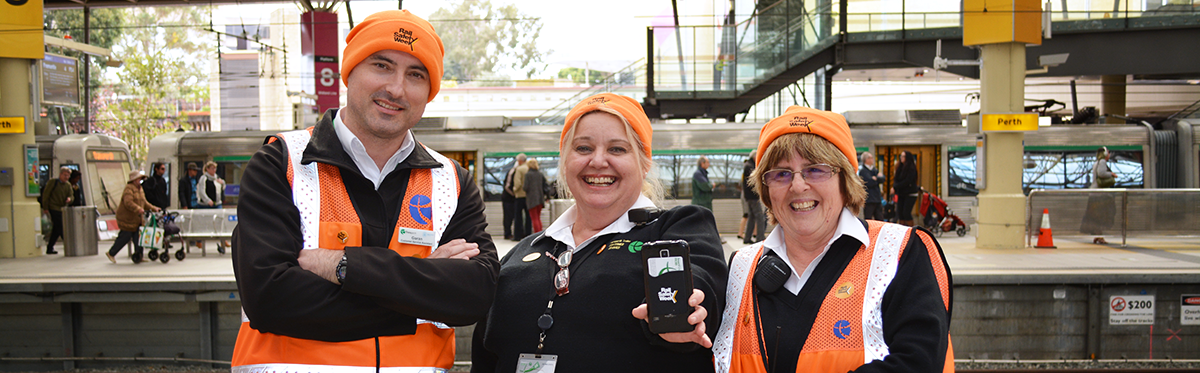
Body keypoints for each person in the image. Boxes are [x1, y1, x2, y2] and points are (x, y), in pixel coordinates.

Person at [230, 10, 499, 373]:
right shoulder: (282, 164)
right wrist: (423, 292)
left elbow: (475, 294)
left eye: (416, 74)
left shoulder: (452, 181)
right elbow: (271, 299)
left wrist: (342, 266)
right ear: (349, 70)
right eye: (382, 65)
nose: (396, 88)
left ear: (428, 93)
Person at [472, 93, 727, 372]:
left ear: (644, 163)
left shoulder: (677, 228)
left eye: (617, 149)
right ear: (565, 160)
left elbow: (699, 282)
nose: (598, 161)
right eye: (583, 148)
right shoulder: (525, 250)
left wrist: (684, 312)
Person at [713, 106, 953, 373]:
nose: (798, 186)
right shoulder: (740, 267)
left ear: (845, 180)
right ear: (767, 191)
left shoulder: (898, 252)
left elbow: (920, 362)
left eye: (815, 170)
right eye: (780, 173)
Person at [105, 171, 160, 263]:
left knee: (138, 237)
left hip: (137, 218)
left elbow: (144, 202)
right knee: (125, 236)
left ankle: (139, 255)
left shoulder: (140, 189)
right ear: (134, 180)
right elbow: (128, 202)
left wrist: (154, 208)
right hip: (127, 219)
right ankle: (111, 253)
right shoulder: (129, 189)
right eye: (139, 179)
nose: (140, 180)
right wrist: (138, 208)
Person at [1082, 147, 1117, 244]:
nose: (1109, 154)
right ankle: (1099, 236)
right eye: (1109, 152)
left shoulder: (1096, 163)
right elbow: (1101, 174)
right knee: (1102, 215)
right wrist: (1111, 174)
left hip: (1094, 194)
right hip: (1099, 195)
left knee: (1095, 217)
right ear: (1105, 154)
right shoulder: (1102, 162)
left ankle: (1098, 235)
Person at [40, 166, 74, 255]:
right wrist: (45, 207)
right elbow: (46, 195)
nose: (66, 177)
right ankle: (69, 245)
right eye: (65, 175)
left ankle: (50, 247)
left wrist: (70, 199)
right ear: (60, 174)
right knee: (61, 227)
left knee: (56, 229)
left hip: (62, 208)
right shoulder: (53, 182)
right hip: (53, 207)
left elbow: (71, 195)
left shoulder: (68, 185)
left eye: (68, 176)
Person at [742, 150, 766, 244]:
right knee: (760, 217)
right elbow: (754, 181)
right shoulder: (750, 167)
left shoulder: (748, 165)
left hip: (749, 196)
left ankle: (747, 238)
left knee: (752, 217)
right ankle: (760, 237)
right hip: (753, 196)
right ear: (754, 156)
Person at [891, 150, 919, 226]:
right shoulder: (899, 168)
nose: (901, 158)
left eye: (903, 156)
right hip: (901, 193)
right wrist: (894, 187)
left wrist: (896, 186)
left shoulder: (911, 168)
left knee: (906, 213)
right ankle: (902, 230)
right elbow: (896, 179)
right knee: (900, 213)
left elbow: (907, 181)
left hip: (910, 193)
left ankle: (911, 230)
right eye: (901, 156)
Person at [859, 151, 886, 221]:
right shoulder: (863, 171)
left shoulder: (874, 170)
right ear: (866, 159)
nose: (872, 159)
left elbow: (883, 179)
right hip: (869, 199)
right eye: (870, 158)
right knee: (868, 219)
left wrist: (876, 178)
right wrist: (876, 179)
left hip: (877, 198)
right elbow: (869, 182)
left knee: (880, 218)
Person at [523, 158, 546, 234]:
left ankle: (537, 234)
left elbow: (525, 187)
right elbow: (545, 185)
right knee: (538, 218)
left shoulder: (527, 175)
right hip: (540, 199)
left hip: (531, 199)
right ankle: (540, 233)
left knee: (534, 218)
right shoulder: (540, 174)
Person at [512, 153, 531, 240]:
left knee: (518, 216)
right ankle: (528, 235)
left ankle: (517, 235)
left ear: (520, 161)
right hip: (528, 196)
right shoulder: (529, 168)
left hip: (520, 195)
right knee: (528, 217)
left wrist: (515, 190)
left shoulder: (519, 169)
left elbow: (517, 183)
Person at [501, 156, 520, 240]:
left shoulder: (516, 171)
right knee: (508, 217)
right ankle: (507, 233)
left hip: (513, 198)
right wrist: (514, 194)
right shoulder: (512, 172)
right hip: (508, 198)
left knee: (514, 216)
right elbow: (507, 187)